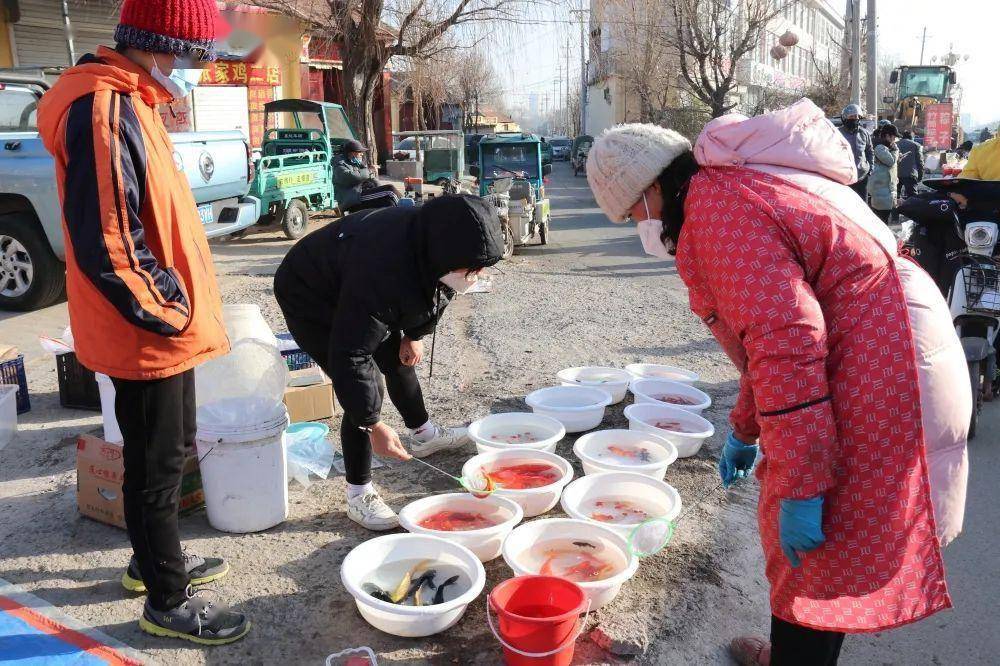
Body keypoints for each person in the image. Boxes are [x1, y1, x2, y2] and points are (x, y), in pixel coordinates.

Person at [586, 99, 968, 665]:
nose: (640, 230)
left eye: (630, 216)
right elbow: (766, 341)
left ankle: (794, 659)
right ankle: (789, 652)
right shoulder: (733, 188)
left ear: (649, 192)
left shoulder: (717, 212)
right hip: (884, 350)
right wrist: (744, 426)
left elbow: (788, 345)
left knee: (813, 549)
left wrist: (802, 483)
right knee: (817, 553)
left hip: (876, 373)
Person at [36, 0, 250, 646]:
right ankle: (167, 601)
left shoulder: (137, 101)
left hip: (161, 332)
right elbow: (109, 238)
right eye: (195, 58)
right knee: (155, 470)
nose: (196, 72)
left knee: (169, 449)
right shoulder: (103, 111)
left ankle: (153, 562)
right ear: (161, 47)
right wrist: (170, 310)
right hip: (145, 333)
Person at [273, 195, 504, 530]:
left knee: (398, 358)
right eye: (470, 270)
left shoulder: (437, 244)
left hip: (354, 279)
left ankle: (424, 435)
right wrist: (371, 425)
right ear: (443, 257)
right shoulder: (383, 270)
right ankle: (358, 494)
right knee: (365, 386)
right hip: (311, 292)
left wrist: (415, 334)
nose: (475, 276)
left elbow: (438, 291)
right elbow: (350, 354)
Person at [334, 138, 400, 213]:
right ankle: (404, 210)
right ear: (352, 153)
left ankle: (401, 209)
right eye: (360, 152)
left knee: (388, 197)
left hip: (361, 193)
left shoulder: (356, 163)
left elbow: (372, 180)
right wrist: (369, 170)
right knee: (390, 191)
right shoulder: (339, 164)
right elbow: (350, 177)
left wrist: (380, 188)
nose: (362, 154)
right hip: (353, 198)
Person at [837, 103, 874, 200]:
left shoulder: (864, 133)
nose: (855, 119)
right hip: (844, 177)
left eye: (857, 117)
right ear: (845, 118)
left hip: (862, 176)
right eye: (852, 116)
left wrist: (870, 168)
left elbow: (869, 151)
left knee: (862, 205)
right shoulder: (837, 133)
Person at [868, 123, 900, 223]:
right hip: (881, 191)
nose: (894, 140)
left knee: (883, 221)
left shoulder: (886, 148)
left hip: (886, 191)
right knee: (881, 221)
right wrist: (896, 150)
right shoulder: (879, 147)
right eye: (893, 137)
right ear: (887, 136)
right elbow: (890, 161)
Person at [896, 130, 924, 199]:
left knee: (895, 196)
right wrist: (920, 176)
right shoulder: (916, 145)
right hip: (910, 174)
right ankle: (912, 209)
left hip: (895, 174)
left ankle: (895, 209)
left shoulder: (895, 144)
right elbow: (920, 162)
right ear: (912, 137)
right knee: (912, 198)